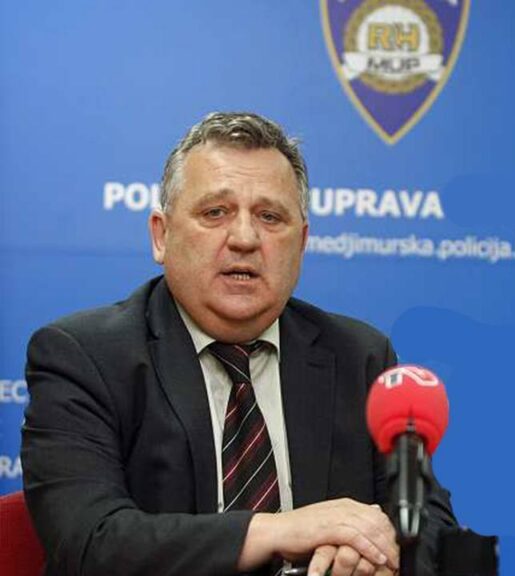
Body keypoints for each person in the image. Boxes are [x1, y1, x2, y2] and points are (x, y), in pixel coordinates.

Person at [21, 112, 456, 576]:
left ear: (301, 243)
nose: (245, 238)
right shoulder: (84, 357)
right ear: (161, 236)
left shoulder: (360, 357)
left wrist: (385, 549)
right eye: (215, 213)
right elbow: (90, 542)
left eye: (270, 217)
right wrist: (280, 531)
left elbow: (432, 529)